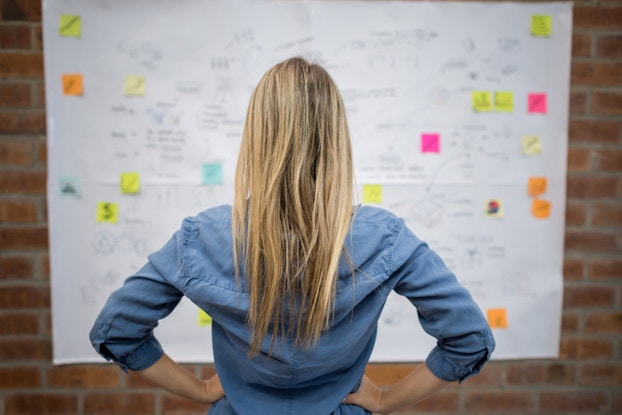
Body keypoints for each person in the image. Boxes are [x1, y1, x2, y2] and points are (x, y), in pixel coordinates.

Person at [90, 56, 495, 414]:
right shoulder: (385, 238)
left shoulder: (203, 237)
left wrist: (200, 391)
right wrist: (386, 401)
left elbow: (117, 329)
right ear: (336, 139)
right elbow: (469, 338)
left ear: (257, 137)